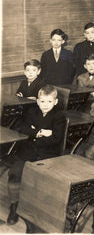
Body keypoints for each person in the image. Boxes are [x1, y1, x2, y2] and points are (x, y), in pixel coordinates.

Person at [7, 85, 66, 225]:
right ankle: (14, 205)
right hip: (27, 152)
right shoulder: (31, 112)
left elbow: (55, 139)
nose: (45, 105)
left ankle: (38, 208)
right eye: (43, 102)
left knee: (40, 179)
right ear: (38, 101)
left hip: (47, 154)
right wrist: (41, 132)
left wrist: (33, 133)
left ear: (55, 101)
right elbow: (22, 128)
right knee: (14, 173)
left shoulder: (59, 116)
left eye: (49, 102)